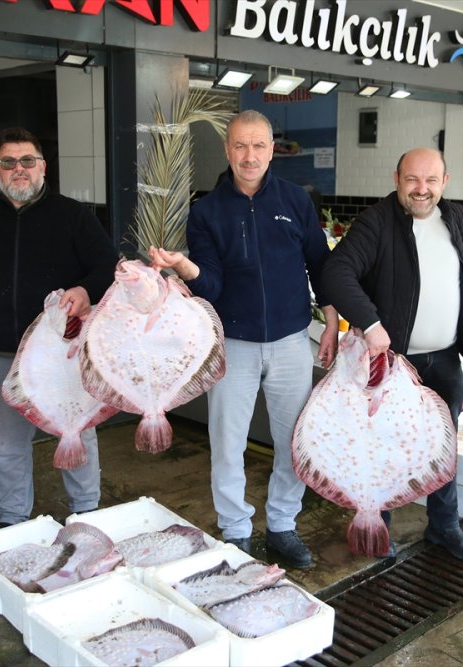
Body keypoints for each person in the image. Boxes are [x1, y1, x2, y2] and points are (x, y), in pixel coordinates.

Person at [149, 110, 339, 568]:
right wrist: (185, 267)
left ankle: (283, 525)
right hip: (232, 343)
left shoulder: (296, 200)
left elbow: (320, 264)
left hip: (292, 341)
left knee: (293, 441)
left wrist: (332, 320)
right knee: (227, 442)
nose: (249, 155)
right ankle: (235, 530)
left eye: (258, 145)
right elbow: (210, 285)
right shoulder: (206, 211)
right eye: (240, 145)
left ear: (272, 150)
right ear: (227, 150)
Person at [0, 128, 118, 529]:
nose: (18, 169)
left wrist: (84, 289)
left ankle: (87, 513)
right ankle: (12, 521)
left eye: (27, 161)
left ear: (43, 167)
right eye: (8, 162)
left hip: (62, 354)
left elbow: (108, 267)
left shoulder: (73, 215)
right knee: (6, 446)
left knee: (76, 433)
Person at [321, 147, 463, 563]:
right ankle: (379, 526)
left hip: (445, 359)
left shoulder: (460, 219)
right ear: (397, 179)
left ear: (445, 182)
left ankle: (444, 526)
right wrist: (371, 323)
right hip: (393, 365)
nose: (421, 189)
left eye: (430, 180)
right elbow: (335, 272)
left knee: (443, 446)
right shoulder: (376, 222)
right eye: (412, 179)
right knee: (386, 446)